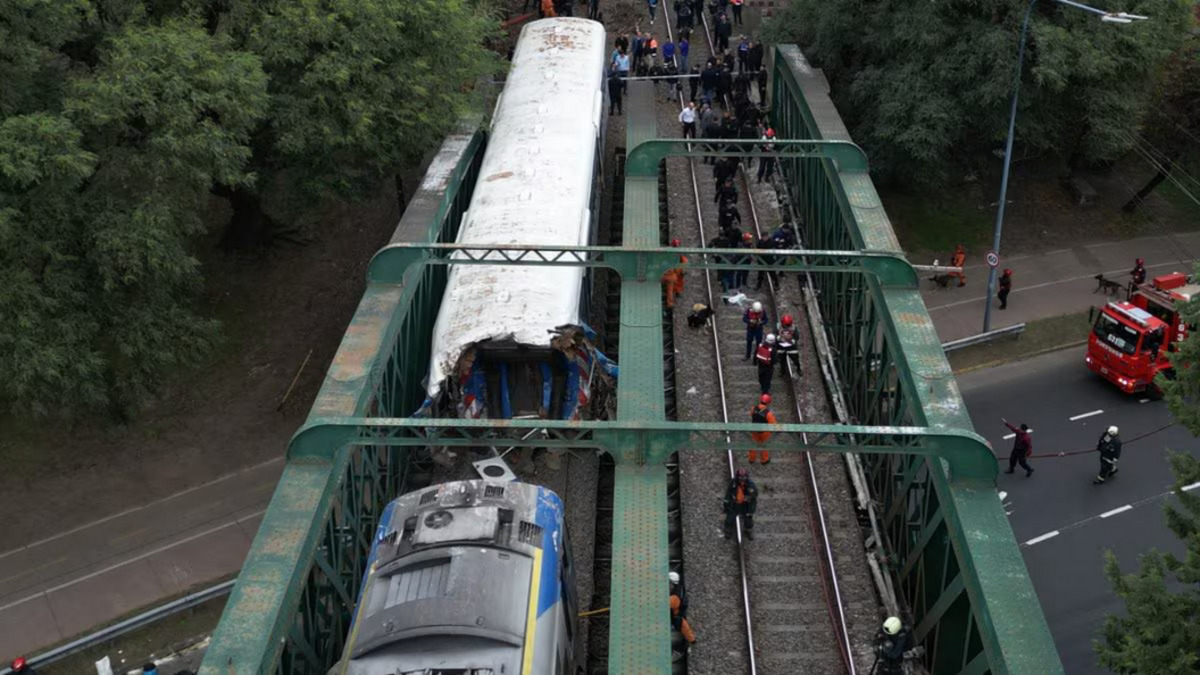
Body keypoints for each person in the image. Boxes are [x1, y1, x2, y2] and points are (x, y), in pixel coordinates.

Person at [723, 467, 759, 538]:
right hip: (735, 504)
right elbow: (728, 493)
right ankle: (728, 530)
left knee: (748, 521)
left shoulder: (751, 485)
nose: (742, 480)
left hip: (746, 505)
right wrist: (726, 503)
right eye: (740, 478)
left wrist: (751, 507)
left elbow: (754, 495)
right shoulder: (733, 483)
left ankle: (748, 530)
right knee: (729, 519)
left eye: (744, 478)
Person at [749, 394, 776, 465]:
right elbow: (773, 424)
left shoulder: (753, 408)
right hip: (764, 432)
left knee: (753, 444)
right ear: (768, 403)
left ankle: (751, 458)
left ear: (760, 400)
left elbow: (752, 415)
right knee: (764, 445)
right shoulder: (768, 413)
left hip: (754, 430)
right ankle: (764, 460)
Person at [662, 239, 687, 308]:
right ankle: (670, 302)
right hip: (672, 275)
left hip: (665, 275)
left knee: (672, 288)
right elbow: (684, 261)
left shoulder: (668, 252)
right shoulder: (677, 254)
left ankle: (671, 302)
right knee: (672, 287)